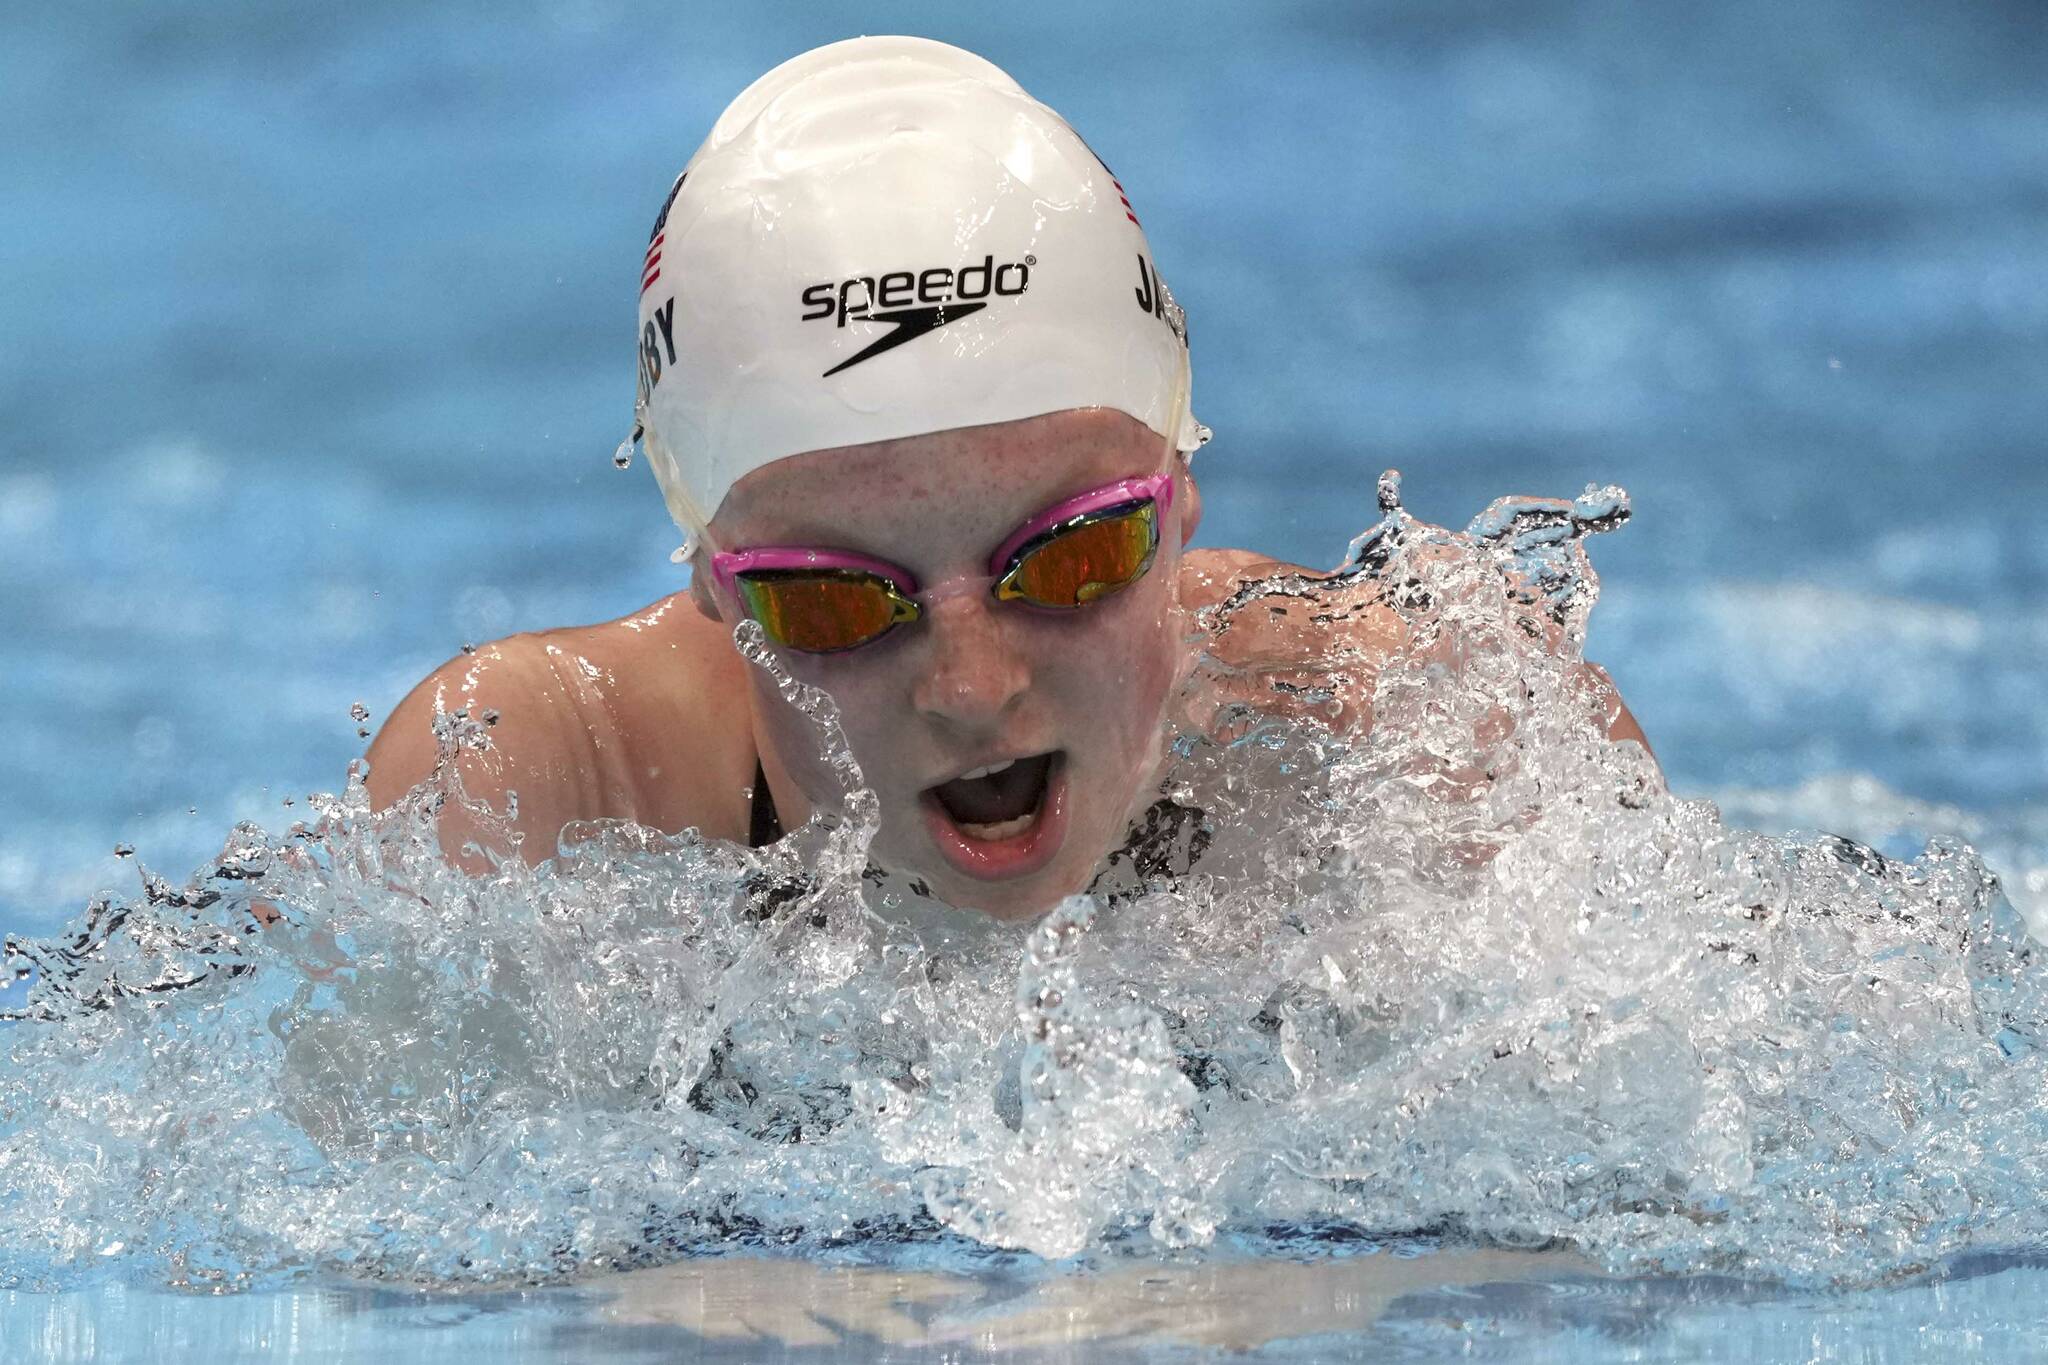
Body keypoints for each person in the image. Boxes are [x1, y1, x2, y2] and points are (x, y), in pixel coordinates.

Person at [365, 35, 1648, 922]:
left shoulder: (1417, 733)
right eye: (832, 599)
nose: (975, 687)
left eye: (1071, 555)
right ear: (711, 576)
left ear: (1178, 496)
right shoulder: (552, 783)